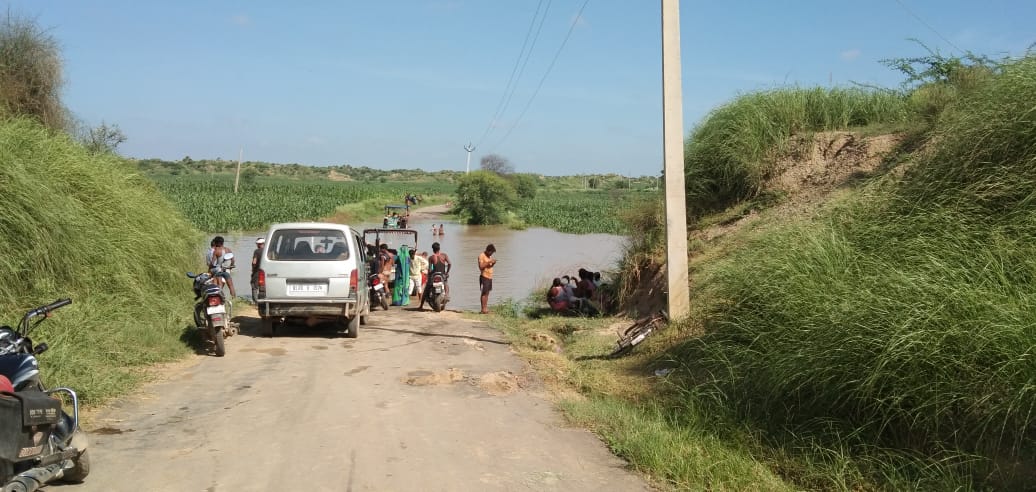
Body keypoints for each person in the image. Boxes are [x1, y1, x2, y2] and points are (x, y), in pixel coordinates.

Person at [418, 242, 451, 310]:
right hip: (442, 274)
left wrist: (429, 275)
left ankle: (421, 305)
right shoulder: (444, 255)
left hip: (434, 275)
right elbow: (450, 263)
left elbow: (430, 269)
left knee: (426, 289)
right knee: (446, 285)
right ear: (439, 248)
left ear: (433, 249)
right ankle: (447, 295)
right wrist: (447, 272)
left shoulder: (431, 257)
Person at [477, 244, 497, 314]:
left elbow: (489, 266)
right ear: (488, 250)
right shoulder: (481, 256)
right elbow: (481, 267)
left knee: (487, 293)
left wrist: (493, 263)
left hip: (489, 276)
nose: (492, 254)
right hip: (484, 276)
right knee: (484, 293)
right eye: (491, 252)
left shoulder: (489, 256)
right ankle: (483, 309)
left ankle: (485, 308)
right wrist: (489, 262)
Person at [250, 237, 265, 301]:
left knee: (254, 286)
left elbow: (254, 262)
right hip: (267, 271)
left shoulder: (257, 251)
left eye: (257, 244)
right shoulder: (269, 250)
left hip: (258, 271)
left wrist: (253, 269)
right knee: (264, 286)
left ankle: (256, 301)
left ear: (259, 244)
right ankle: (264, 299)